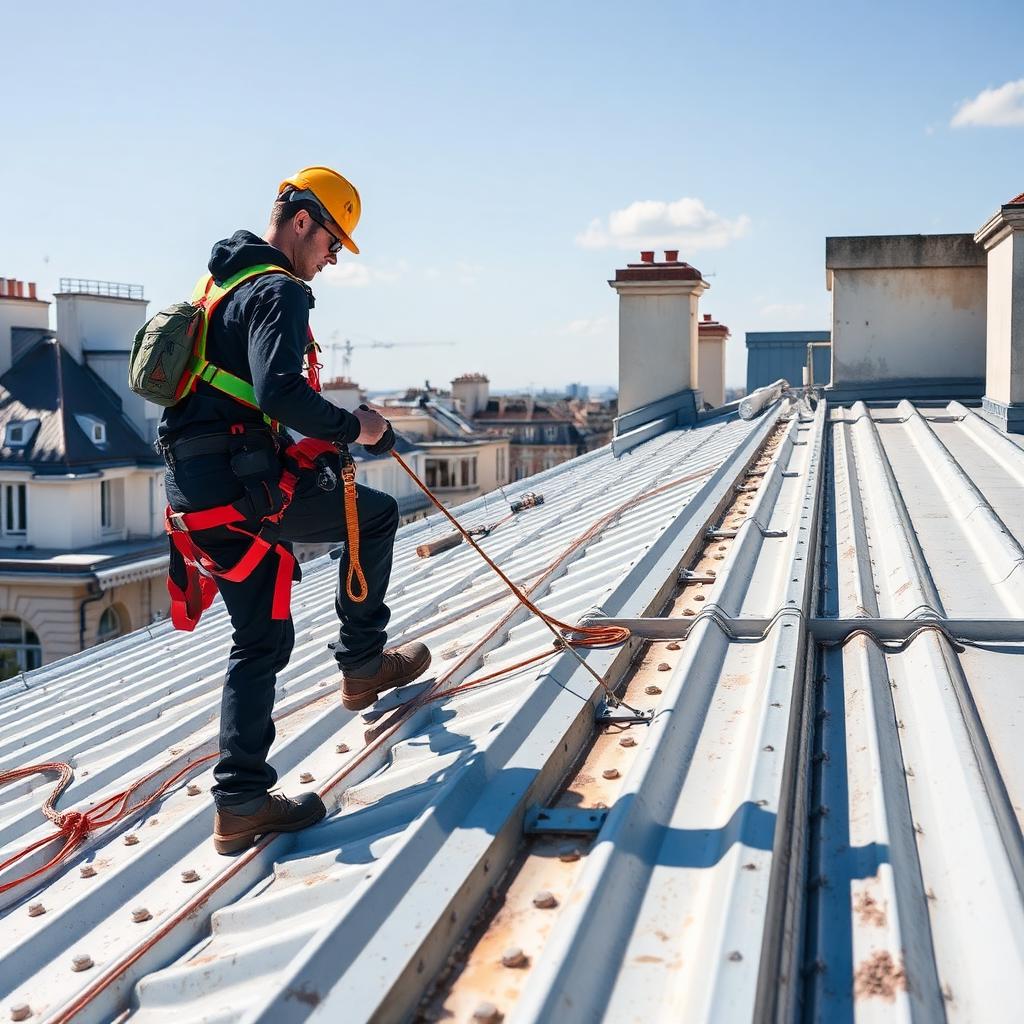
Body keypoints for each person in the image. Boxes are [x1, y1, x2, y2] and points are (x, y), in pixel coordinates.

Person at [157, 166, 431, 855]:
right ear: (303, 221)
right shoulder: (278, 289)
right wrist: (358, 427)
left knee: (260, 638)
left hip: (197, 492)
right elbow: (279, 393)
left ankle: (240, 803)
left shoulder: (218, 289)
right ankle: (363, 664)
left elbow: (234, 400)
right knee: (374, 517)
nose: (333, 259)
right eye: (333, 243)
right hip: (239, 488)